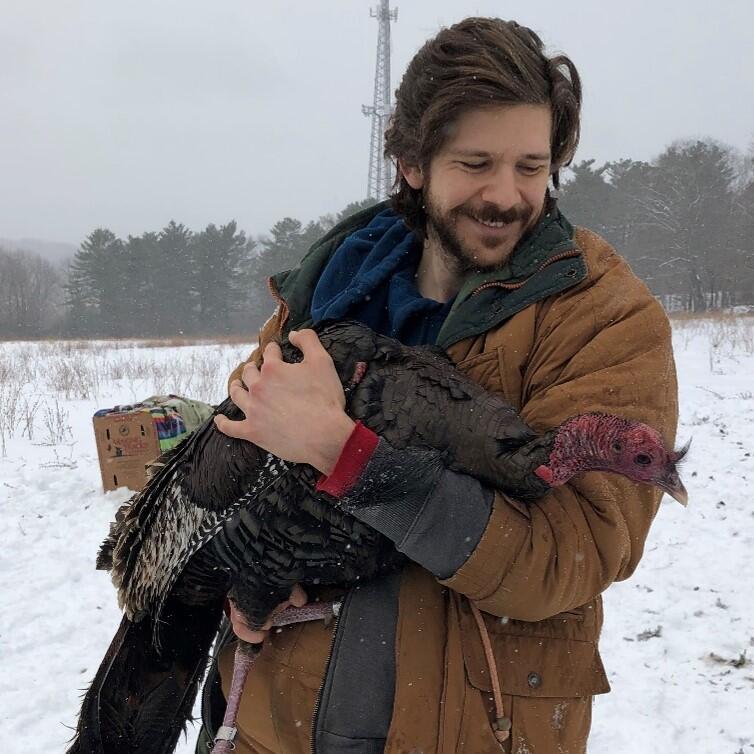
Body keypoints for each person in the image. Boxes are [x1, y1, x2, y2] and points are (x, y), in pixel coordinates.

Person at [197, 17, 678, 754]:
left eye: (531, 165)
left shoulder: (602, 313)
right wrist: (245, 582)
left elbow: (572, 551)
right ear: (413, 163)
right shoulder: (330, 282)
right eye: (477, 162)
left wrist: (345, 453)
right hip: (276, 723)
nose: (507, 195)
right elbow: (242, 456)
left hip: (471, 728)